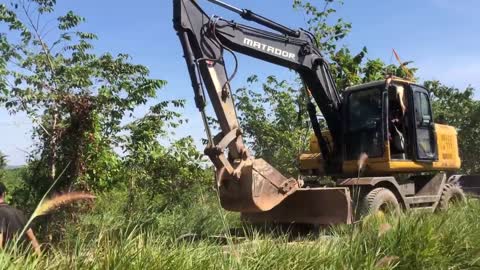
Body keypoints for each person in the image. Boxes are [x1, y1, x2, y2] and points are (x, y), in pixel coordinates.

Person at [0, 182, 41, 255]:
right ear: (4, 194)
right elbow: (33, 239)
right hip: (23, 261)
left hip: (7, 261)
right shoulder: (19, 212)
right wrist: (40, 259)